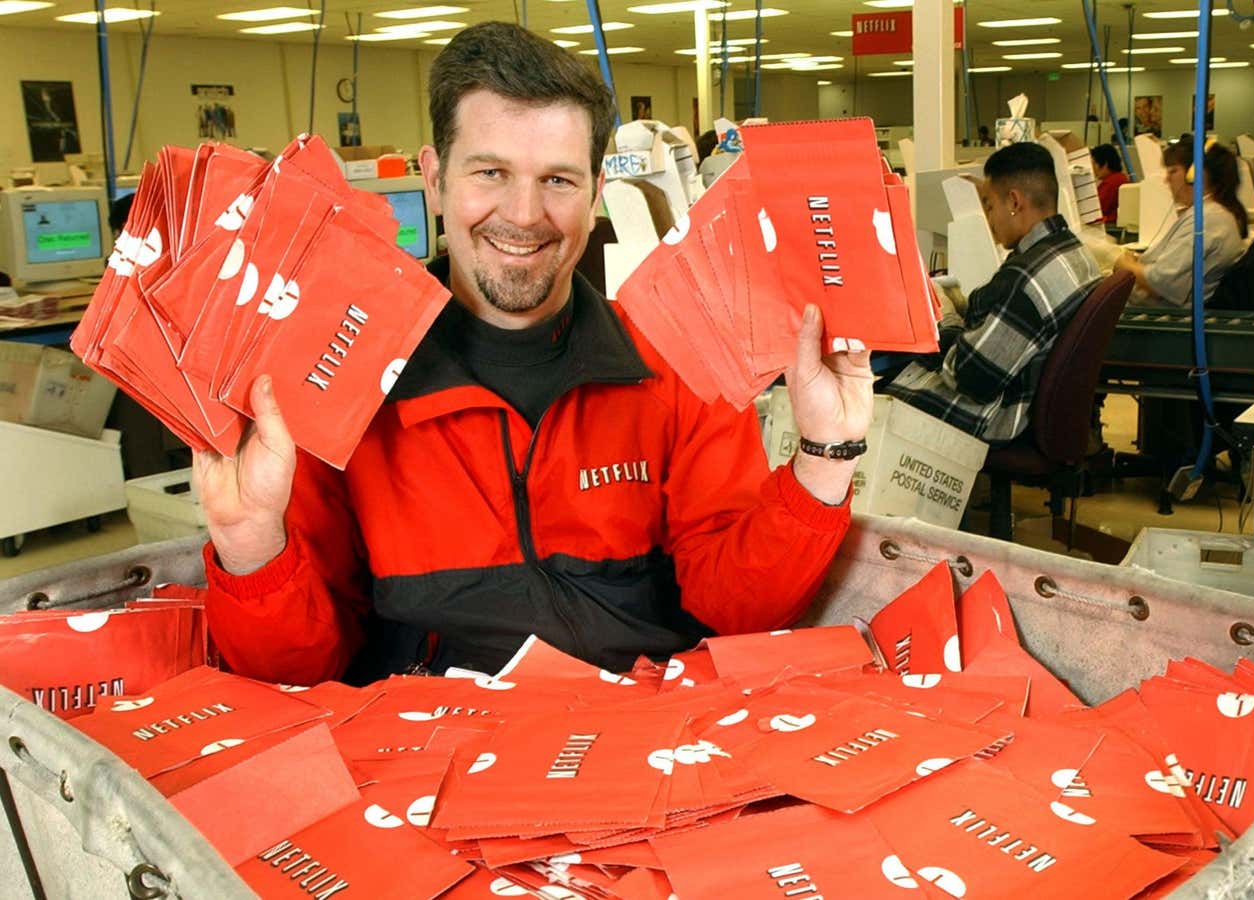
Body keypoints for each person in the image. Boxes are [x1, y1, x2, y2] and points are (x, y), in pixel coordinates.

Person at [194, 23, 872, 685]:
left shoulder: (677, 363)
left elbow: (737, 610)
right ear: (435, 178)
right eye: (490, 172)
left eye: (558, 181)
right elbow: (300, 674)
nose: (523, 214)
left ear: (598, 189)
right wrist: (250, 541)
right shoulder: (338, 384)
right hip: (425, 767)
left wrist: (825, 452)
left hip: (644, 748)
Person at [883, 142, 1100, 443]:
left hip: (1002, 417)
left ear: (1013, 202)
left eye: (988, 205)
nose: (988, 218)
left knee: (873, 404)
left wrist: (946, 319)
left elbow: (970, 377)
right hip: (1033, 402)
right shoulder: (1071, 252)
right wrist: (960, 304)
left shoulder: (1025, 280)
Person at [1114, 137, 1248, 307]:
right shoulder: (1212, 213)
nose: (1166, 180)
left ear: (1195, 175)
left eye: (1173, 171)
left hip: (1159, 322)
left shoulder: (1207, 219)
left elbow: (1160, 283)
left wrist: (1124, 265)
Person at [1090, 144, 1130, 226]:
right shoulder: (1120, 178)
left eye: (1094, 164)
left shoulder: (1110, 184)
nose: (1093, 168)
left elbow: (1095, 211)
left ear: (1105, 164)